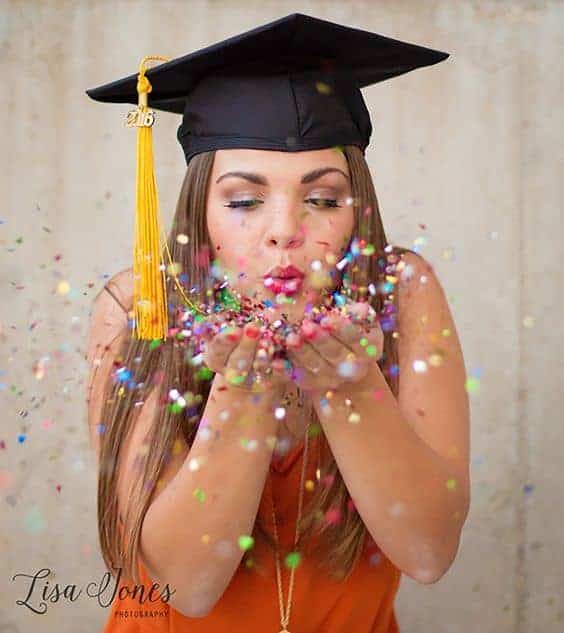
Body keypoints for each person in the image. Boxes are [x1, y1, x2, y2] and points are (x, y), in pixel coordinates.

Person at [84, 12, 470, 633]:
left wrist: (348, 387)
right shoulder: (144, 304)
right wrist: (246, 394)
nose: (285, 230)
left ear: (357, 207)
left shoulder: (401, 288)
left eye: (322, 199)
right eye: (243, 200)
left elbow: (429, 552)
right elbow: (187, 585)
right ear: (200, 210)